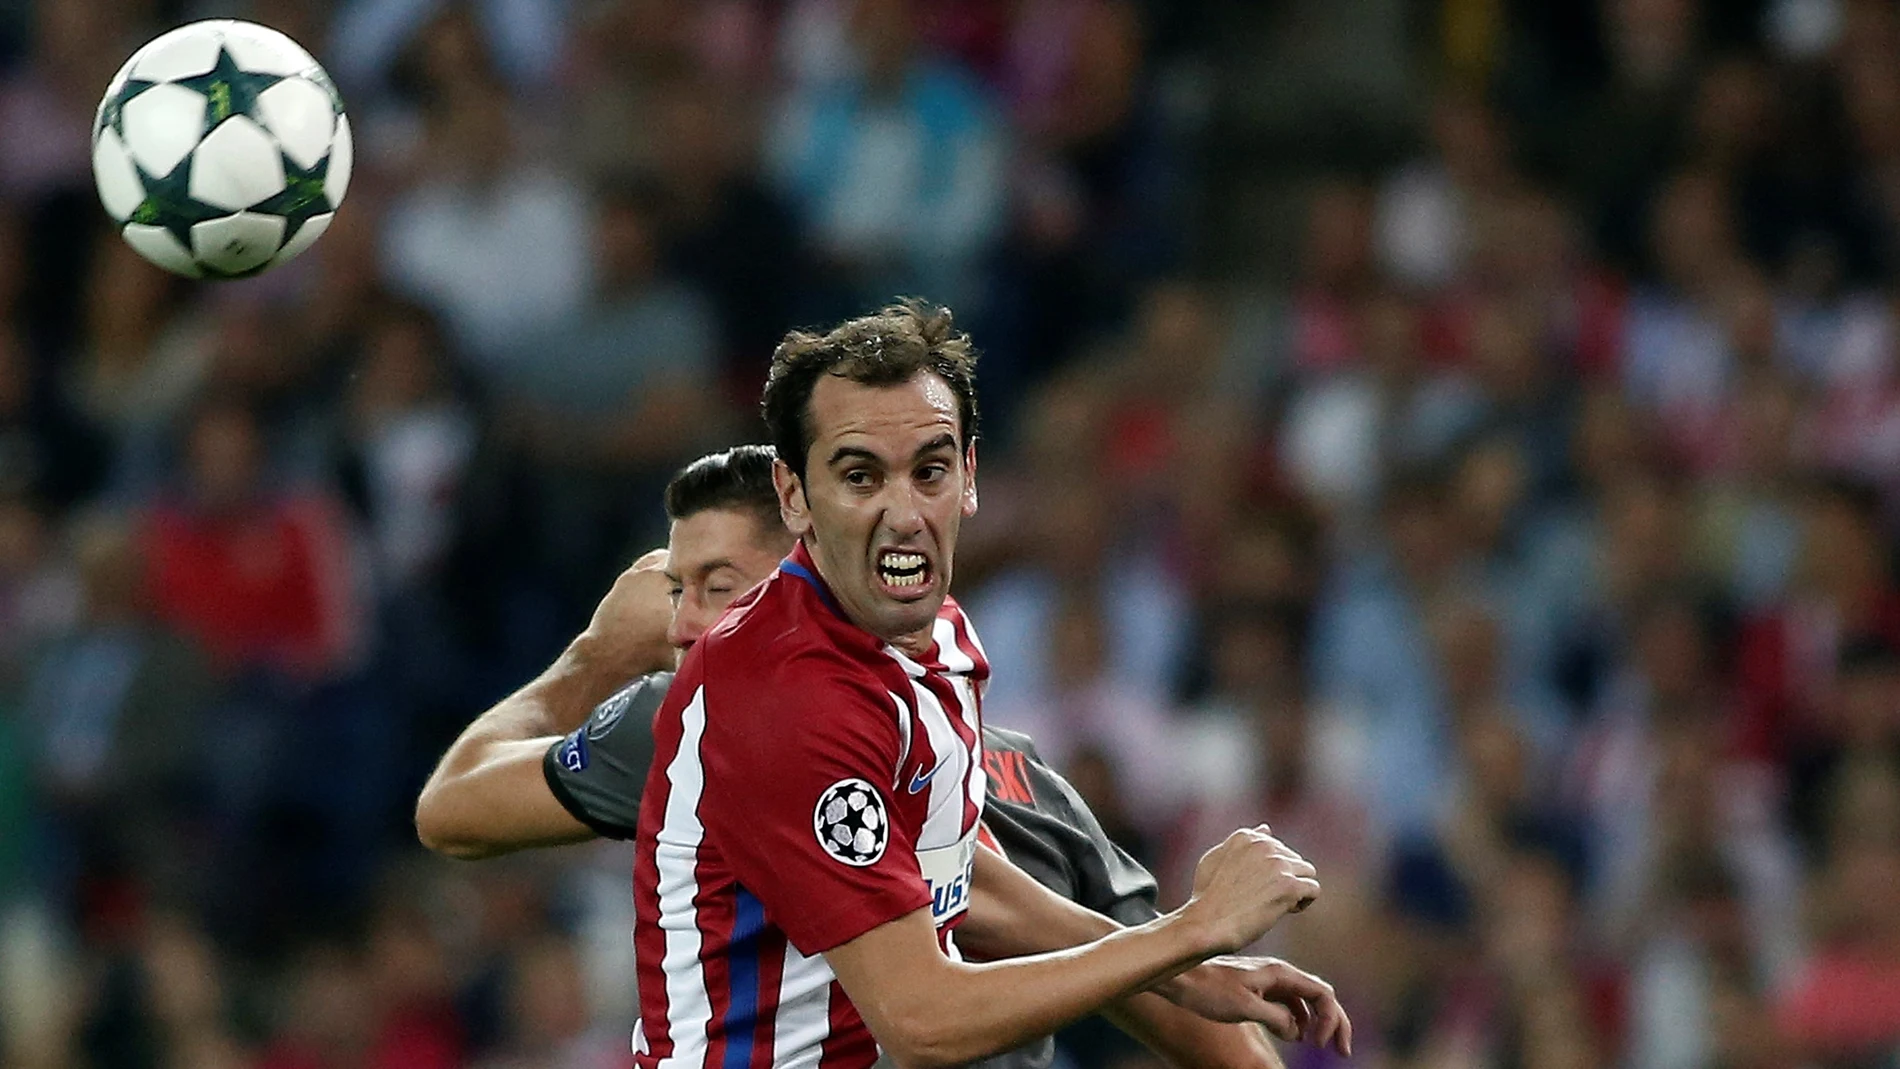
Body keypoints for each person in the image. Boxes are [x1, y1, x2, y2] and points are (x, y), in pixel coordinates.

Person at [419, 303, 1348, 1068]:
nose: (904, 512)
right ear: (797, 499)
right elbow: (923, 1018)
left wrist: (1189, 969)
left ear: (970, 479)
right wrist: (1186, 934)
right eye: (860, 474)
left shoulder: (932, 640)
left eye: (930, 470)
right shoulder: (774, 700)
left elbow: (954, 871)